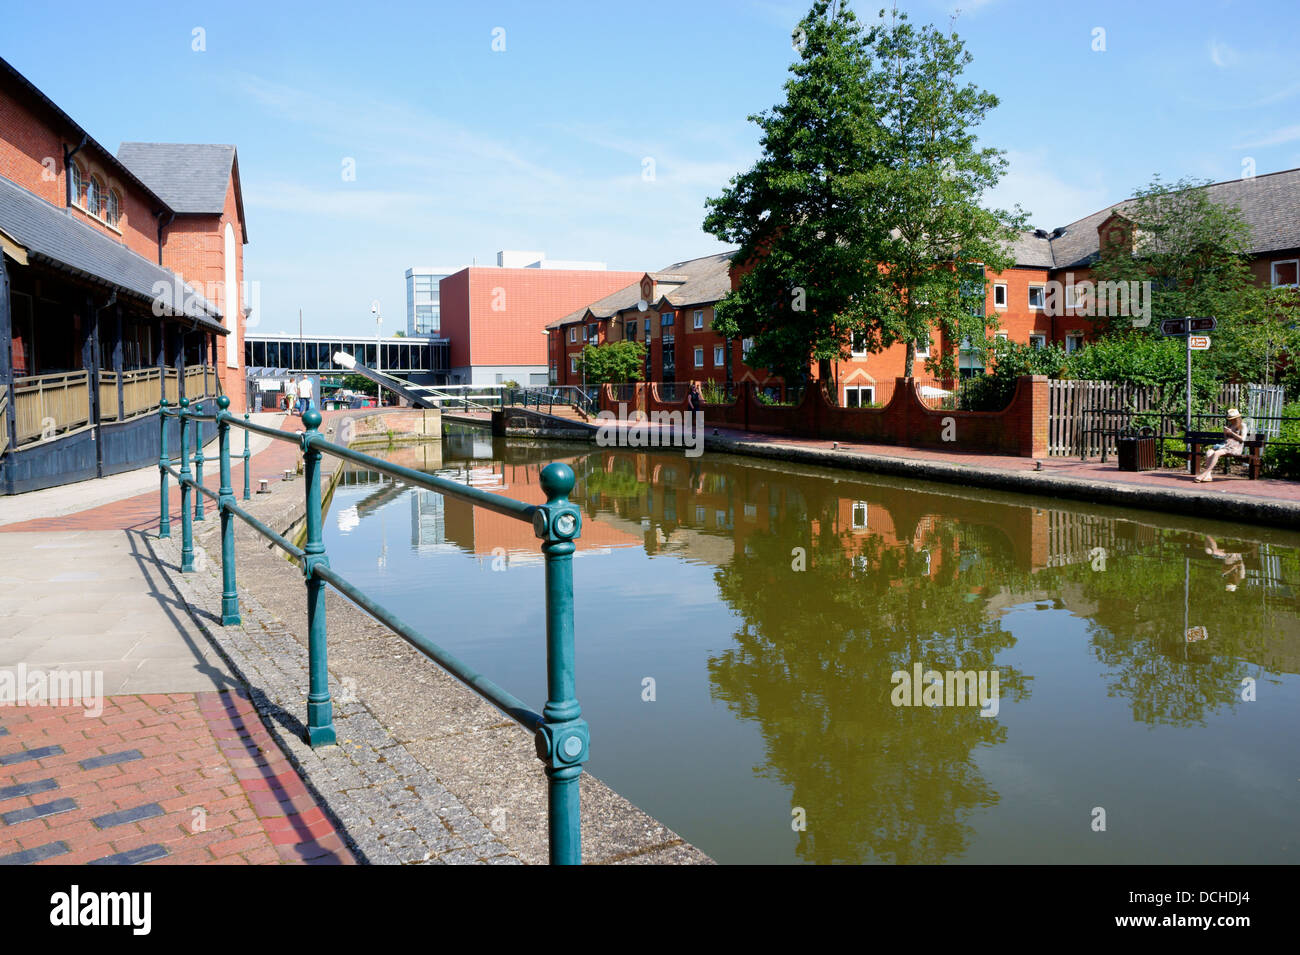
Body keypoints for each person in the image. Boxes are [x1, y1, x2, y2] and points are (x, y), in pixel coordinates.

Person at [1194, 408, 1246, 482]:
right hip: (1226, 445)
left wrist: (1231, 433)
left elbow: (1243, 439)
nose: (1230, 420)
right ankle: (1208, 476)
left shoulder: (1243, 425)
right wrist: (1225, 433)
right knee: (1209, 452)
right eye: (1230, 419)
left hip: (1235, 447)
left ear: (1237, 418)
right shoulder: (1230, 425)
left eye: (1232, 419)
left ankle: (1204, 473)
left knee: (1216, 453)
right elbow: (1226, 439)